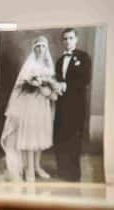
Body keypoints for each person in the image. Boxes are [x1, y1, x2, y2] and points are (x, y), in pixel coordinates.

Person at [0, 36, 56, 182]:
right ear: (34, 49)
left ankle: (37, 166)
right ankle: (29, 169)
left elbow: (52, 87)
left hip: (42, 105)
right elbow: (20, 86)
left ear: (46, 48)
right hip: (29, 105)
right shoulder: (29, 66)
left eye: (43, 46)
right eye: (37, 46)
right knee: (31, 135)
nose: (40, 49)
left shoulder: (49, 67)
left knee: (40, 134)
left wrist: (48, 91)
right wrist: (34, 84)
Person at [54, 28, 92, 182]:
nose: (68, 41)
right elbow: (57, 78)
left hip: (76, 104)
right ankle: (62, 170)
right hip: (61, 104)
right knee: (61, 136)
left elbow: (85, 79)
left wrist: (66, 86)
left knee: (74, 139)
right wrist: (56, 85)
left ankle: (74, 174)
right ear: (63, 41)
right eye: (65, 39)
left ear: (76, 39)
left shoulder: (84, 57)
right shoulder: (59, 60)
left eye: (71, 38)